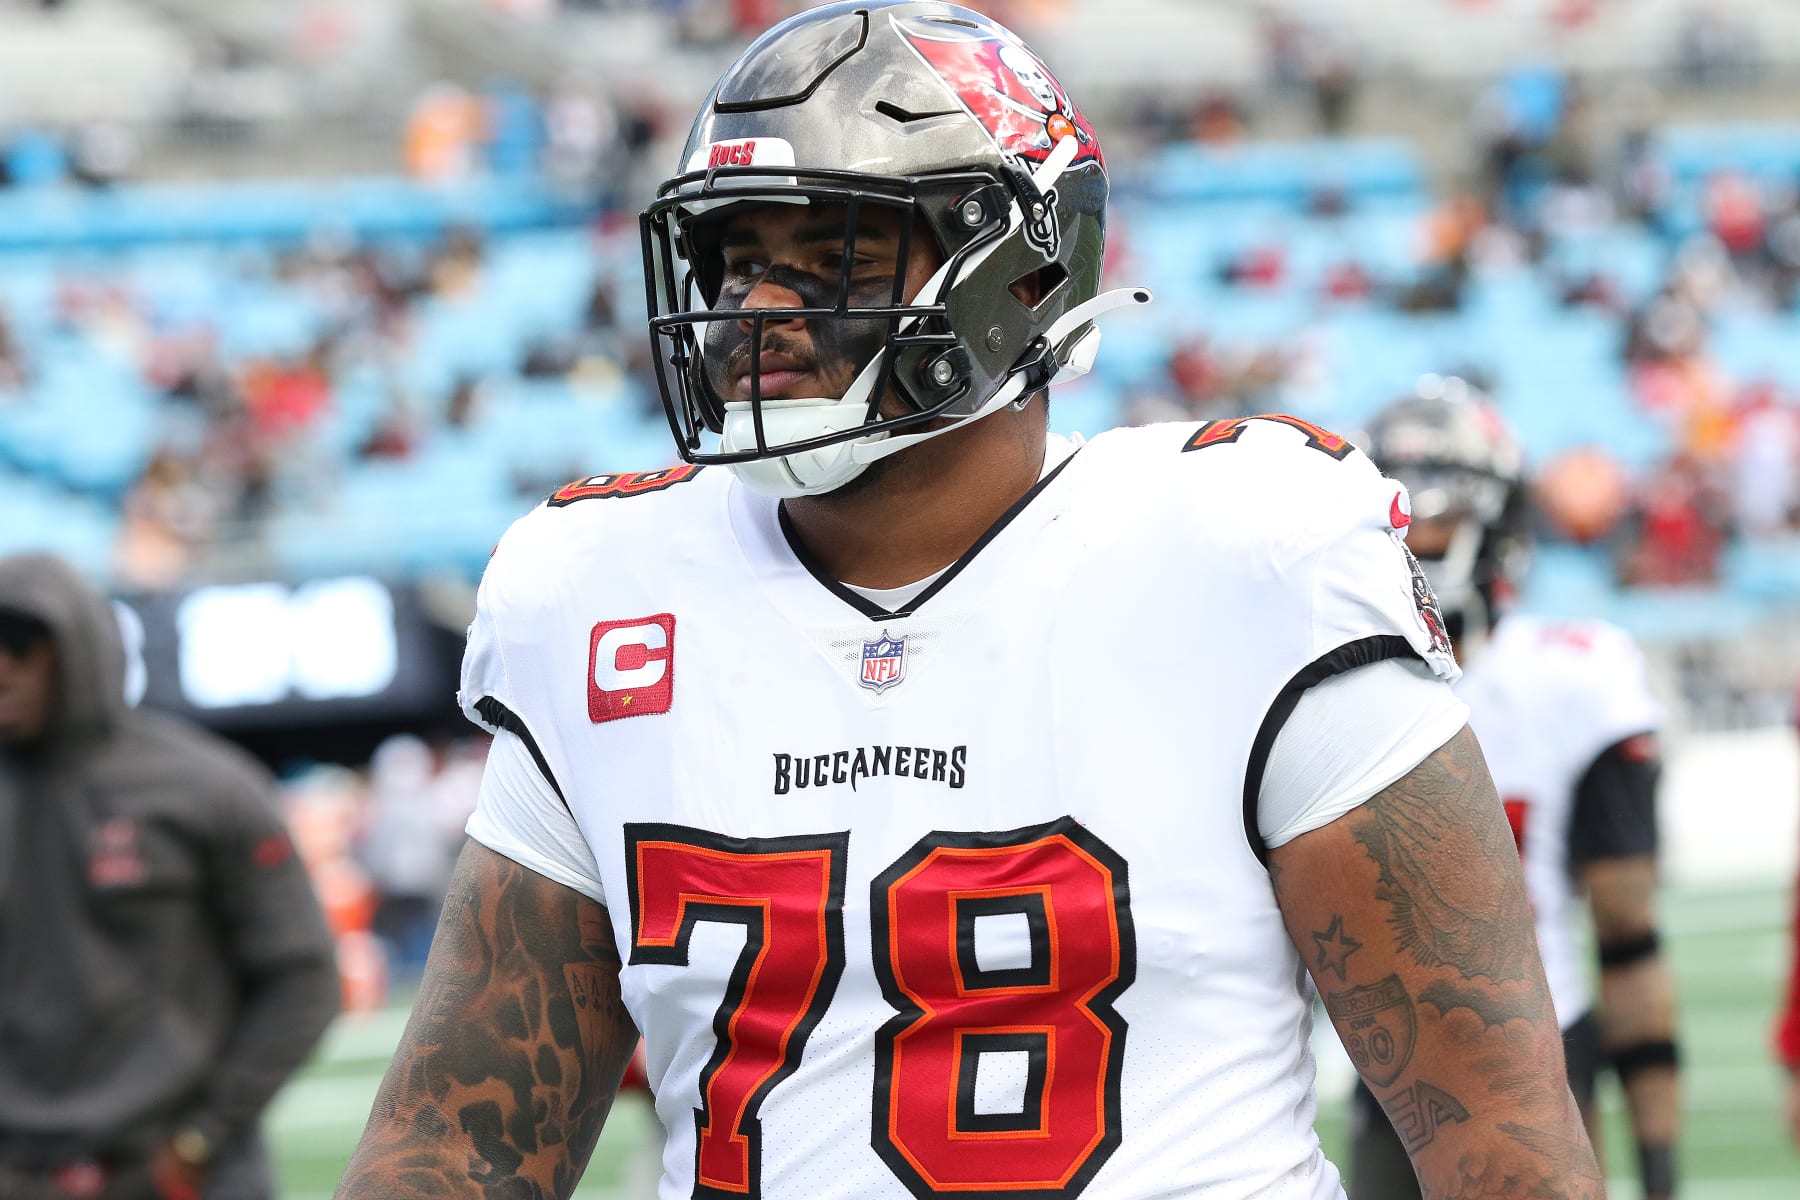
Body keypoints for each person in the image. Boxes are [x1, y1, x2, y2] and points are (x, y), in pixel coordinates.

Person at [338, 5, 1604, 1198]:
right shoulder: (599, 593)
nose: (755, 312)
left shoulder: (1246, 554)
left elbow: (1497, 1127)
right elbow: (457, 1145)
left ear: (1022, 277)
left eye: (830, 253)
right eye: (736, 262)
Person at [1353, 381, 1681, 1200]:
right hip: (1387, 1063)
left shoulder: (1573, 676)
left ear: (1496, 526)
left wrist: (1662, 1173)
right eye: (1399, 520)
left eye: (1440, 516)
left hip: (1543, 1054)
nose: (1416, 543)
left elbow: (1630, 938)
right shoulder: (1326, 684)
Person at [0, 553, 340, 1200]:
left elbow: (302, 976)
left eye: (20, 642)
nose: (2, 664)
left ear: (76, 647)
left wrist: (204, 1134)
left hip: (180, 1178)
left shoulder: (204, 787)